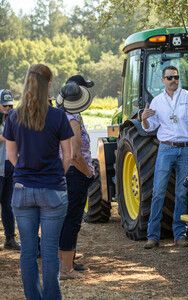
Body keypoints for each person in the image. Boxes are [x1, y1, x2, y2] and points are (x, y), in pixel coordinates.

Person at [3, 64, 73, 300]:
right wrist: (58, 174)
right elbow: (69, 154)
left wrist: (25, 170)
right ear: (48, 85)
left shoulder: (13, 116)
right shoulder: (58, 116)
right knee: (50, 251)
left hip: (22, 190)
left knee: (28, 252)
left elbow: (11, 156)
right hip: (52, 190)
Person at [141, 65, 188, 249]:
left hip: (186, 148)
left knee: (182, 193)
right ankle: (153, 236)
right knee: (159, 191)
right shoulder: (157, 101)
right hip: (166, 148)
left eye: (175, 77)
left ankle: (180, 235)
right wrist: (143, 118)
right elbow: (149, 126)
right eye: (169, 78)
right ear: (163, 80)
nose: (173, 80)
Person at [57, 80, 95, 279]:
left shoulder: (62, 115)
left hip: (66, 173)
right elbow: (74, 154)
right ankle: (66, 267)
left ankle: (67, 259)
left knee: (66, 218)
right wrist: (88, 173)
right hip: (75, 173)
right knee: (72, 219)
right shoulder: (72, 120)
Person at [0, 89, 20, 250]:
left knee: (8, 204)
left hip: (9, 166)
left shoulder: (12, 119)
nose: (7, 108)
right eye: (4, 105)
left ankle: (10, 239)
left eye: (10, 105)